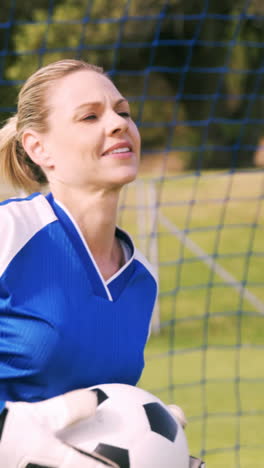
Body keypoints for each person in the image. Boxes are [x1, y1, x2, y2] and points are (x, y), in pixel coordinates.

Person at [0, 59, 159, 467]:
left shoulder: (141, 279)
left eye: (123, 112)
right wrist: (8, 431)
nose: (119, 123)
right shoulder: (9, 233)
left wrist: (160, 450)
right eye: (90, 116)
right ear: (39, 148)